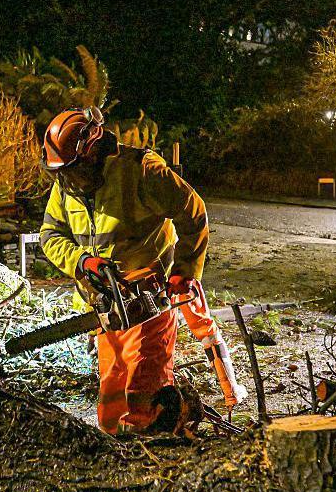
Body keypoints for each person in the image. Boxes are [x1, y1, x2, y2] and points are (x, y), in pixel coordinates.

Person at [39, 107, 247, 434]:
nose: (68, 176)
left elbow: (193, 212)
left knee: (145, 384)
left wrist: (185, 268)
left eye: (74, 168)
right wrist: (82, 262)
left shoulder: (140, 171)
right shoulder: (67, 185)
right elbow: (50, 235)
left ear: (92, 150)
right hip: (108, 300)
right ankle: (118, 446)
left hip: (151, 291)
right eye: (63, 170)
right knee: (112, 392)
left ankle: (162, 443)